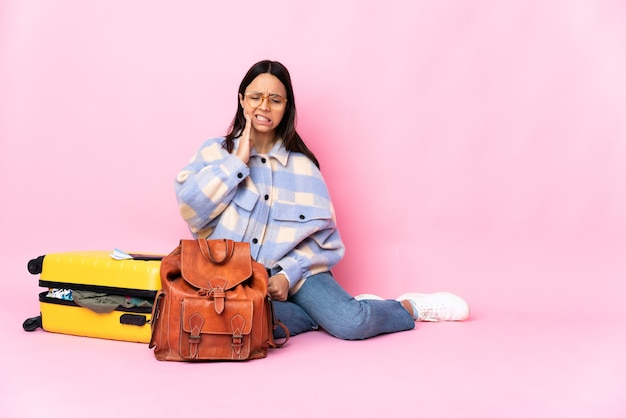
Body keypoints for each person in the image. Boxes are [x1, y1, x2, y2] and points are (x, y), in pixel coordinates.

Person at [174, 59, 469, 340]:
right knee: (240, 321)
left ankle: (406, 307)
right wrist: (236, 164)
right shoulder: (215, 152)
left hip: (299, 275)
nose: (264, 106)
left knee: (352, 323)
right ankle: (322, 313)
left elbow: (324, 239)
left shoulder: (303, 167)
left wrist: (287, 277)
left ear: (285, 108)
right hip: (235, 278)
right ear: (242, 99)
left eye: (275, 100)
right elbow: (191, 209)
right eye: (256, 97)